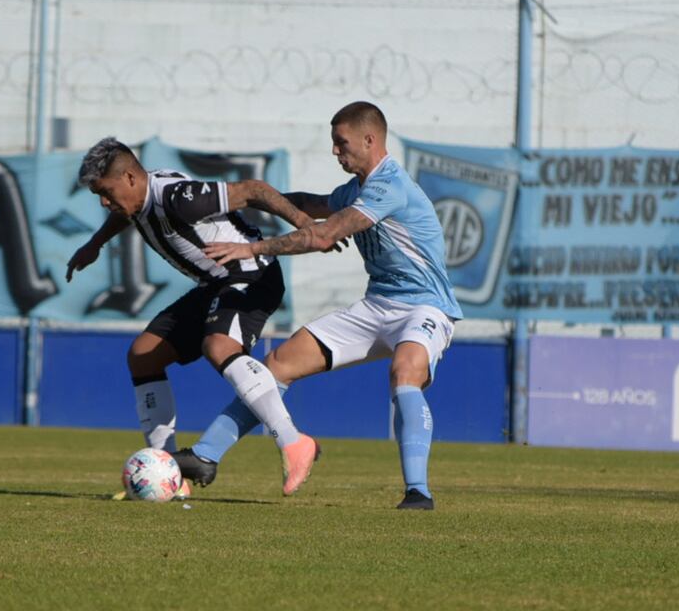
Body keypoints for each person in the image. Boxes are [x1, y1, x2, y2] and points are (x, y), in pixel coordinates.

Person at [179, 101, 463, 510]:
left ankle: (418, 492)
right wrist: (243, 199)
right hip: (377, 305)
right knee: (277, 365)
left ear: (369, 140)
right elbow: (311, 205)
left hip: (426, 308)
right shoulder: (354, 190)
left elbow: (323, 235)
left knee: (405, 372)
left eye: (340, 142)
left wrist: (251, 248)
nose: (335, 151)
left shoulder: (390, 185)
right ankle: (205, 456)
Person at [66, 137, 323, 498]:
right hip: (216, 284)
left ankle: (294, 443)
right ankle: (169, 470)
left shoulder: (176, 196)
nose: (105, 203)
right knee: (144, 354)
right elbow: (125, 213)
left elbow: (253, 189)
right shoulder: (135, 198)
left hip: (252, 275)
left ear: (128, 178)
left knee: (218, 346)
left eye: (106, 192)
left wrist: (304, 224)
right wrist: (95, 243)